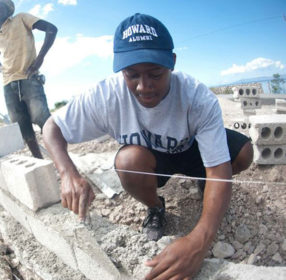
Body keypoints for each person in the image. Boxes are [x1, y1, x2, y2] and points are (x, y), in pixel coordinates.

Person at [43, 14, 253, 280]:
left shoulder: (197, 97)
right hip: (152, 158)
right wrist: (67, 173)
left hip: (194, 149)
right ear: (119, 70)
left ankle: (205, 187)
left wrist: (200, 241)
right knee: (127, 162)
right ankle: (156, 207)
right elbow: (52, 127)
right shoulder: (106, 96)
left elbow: (219, 167)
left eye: (155, 74)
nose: (144, 86)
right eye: (132, 76)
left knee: (244, 152)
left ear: (172, 63)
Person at [0, 0, 57, 159]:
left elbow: (51, 29)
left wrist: (40, 59)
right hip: (8, 84)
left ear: (7, 10)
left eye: (1, 7)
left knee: (43, 120)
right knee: (22, 127)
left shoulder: (21, 18)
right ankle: (40, 162)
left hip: (29, 77)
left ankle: (61, 160)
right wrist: (0, 68)